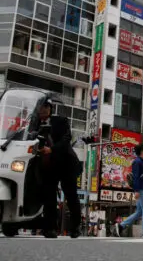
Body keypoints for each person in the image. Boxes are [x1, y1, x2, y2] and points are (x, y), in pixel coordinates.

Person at [37, 99, 82, 239]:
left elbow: (66, 138)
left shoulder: (61, 120)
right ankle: (50, 228)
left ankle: (75, 227)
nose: (43, 109)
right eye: (41, 107)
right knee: (49, 195)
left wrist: (51, 149)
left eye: (46, 106)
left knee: (71, 195)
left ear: (50, 109)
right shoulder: (33, 124)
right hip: (48, 165)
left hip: (66, 162)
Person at [113, 144, 143, 238]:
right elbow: (136, 177)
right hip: (141, 190)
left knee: (139, 212)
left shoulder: (142, 162)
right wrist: (136, 190)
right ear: (142, 151)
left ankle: (121, 226)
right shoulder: (137, 162)